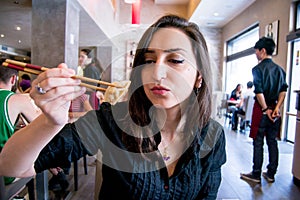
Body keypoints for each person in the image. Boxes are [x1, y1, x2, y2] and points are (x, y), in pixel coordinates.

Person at [0, 15, 226, 199]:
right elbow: (11, 168)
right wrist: (50, 122)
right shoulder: (112, 120)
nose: (156, 73)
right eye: (148, 61)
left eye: (175, 60)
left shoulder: (212, 136)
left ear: (199, 76)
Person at [240, 37, 288, 184]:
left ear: (263, 51)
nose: (256, 54)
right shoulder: (280, 70)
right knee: (272, 141)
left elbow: (259, 91)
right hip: (275, 109)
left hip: (261, 109)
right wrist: (276, 108)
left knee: (258, 141)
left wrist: (265, 108)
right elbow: (283, 91)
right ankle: (271, 173)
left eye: (256, 51)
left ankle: (256, 174)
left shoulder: (257, 69)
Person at [0, 64, 42, 185]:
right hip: (4, 173)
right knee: (40, 155)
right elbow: (41, 123)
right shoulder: (16, 99)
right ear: (14, 79)